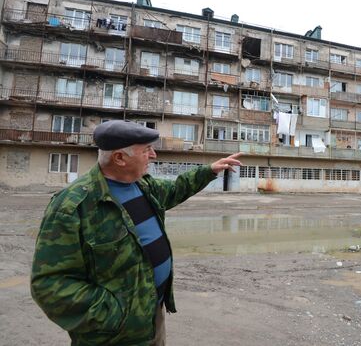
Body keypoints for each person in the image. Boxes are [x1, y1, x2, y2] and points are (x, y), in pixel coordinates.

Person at [31, 120, 242, 346]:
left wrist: (209, 171)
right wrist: (116, 317)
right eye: (146, 150)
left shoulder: (142, 186)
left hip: (152, 316)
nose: (154, 155)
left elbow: (176, 189)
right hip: (114, 335)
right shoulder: (73, 206)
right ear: (119, 158)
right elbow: (50, 284)